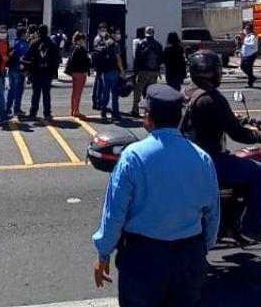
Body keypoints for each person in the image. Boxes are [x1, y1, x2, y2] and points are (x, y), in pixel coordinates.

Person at [92, 84, 220, 307]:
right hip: (189, 254)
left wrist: (103, 253)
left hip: (144, 257)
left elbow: (115, 214)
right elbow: (213, 213)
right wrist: (202, 249)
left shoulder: (133, 156)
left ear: (149, 117)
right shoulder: (201, 157)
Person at [180, 50, 261, 246]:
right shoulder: (212, 98)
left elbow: (211, 119)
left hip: (188, 159)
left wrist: (240, 118)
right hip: (211, 162)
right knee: (260, 172)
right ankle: (253, 227)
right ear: (213, 72)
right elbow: (240, 135)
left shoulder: (188, 93)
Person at [26, 23, 61, 121]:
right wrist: (54, 72)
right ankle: (47, 113)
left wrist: (29, 70)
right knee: (46, 94)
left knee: (35, 94)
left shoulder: (34, 43)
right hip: (47, 72)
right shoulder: (52, 44)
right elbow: (56, 61)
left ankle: (33, 113)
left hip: (36, 72)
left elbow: (27, 58)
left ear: (38, 32)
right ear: (47, 32)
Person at [93, 25, 125, 121]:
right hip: (113, 71)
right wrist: (122, 71)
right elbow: (118, 59)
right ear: (112, 34)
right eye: (116, 33)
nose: (118, 35)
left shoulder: (105, 43)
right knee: (114, 93)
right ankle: (115, 113)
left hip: (105, 71)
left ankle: (103, 112)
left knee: (105, 92)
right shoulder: (115, 45)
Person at [131, 27, 163, 117]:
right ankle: (150, 110)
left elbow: (137, 58)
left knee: (138, 90)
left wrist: (135, 71)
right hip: (154, 72)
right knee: (151, 92)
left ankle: (135, 110)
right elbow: (161, 58)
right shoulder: (158, 45)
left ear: (145, 33)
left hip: (143, 71)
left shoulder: (141, 43)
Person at [66, 31, 91, 118]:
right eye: (83, 40)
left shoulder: (73, 48)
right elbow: (85, 62)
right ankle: (76, 111)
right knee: (78, 93)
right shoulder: (81, 49)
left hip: (74, 72)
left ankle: (73, 109)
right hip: (80, 73)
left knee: (74, 92)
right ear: (80, 40)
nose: (84, 41)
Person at [6, 27, 30, 118]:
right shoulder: (23, 44)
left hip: (11, 69)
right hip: (19, 69)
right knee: (19, 91)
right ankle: (17, 109)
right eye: (25, 33)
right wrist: (25, 70)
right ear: (23, 34)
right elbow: (24, 58)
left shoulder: (12, 42)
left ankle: (8, 108)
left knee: (11, 90)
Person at [92, 23, 111, 111]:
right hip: (99, 65)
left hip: (104, 65)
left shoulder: (105, 38)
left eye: (105, 30)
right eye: (102, 30)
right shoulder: (97, 39)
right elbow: (100, 50)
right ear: (99, 30)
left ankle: (101, 102)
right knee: (99, 84)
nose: (104, 32)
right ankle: (97, 102)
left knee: (103, 85)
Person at [239, 23, 259, 88]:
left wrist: (244, 42)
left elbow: (252, 44)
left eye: (246, 29)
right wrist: (241, 52)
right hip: (245, 55)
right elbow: (244, 46)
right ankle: (252, 77)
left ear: (249, 30)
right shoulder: (246, 37)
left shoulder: (252, 37)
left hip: (251, 54)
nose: (245, 30)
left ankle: (250, 83)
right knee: (242, 66)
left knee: (249, 68)